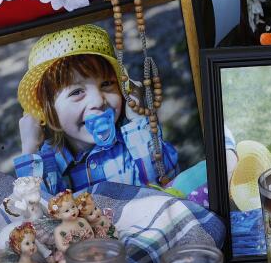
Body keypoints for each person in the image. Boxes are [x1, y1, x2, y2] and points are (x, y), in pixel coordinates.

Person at [15, 26, 178, 194]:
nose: (99, 101)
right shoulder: (48, 163)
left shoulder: (134, 140)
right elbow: (34, 210)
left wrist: (138, 118)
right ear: (47, 110)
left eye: (106, 84)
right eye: (77, 92)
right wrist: (30, 149)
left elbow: (167, 180)